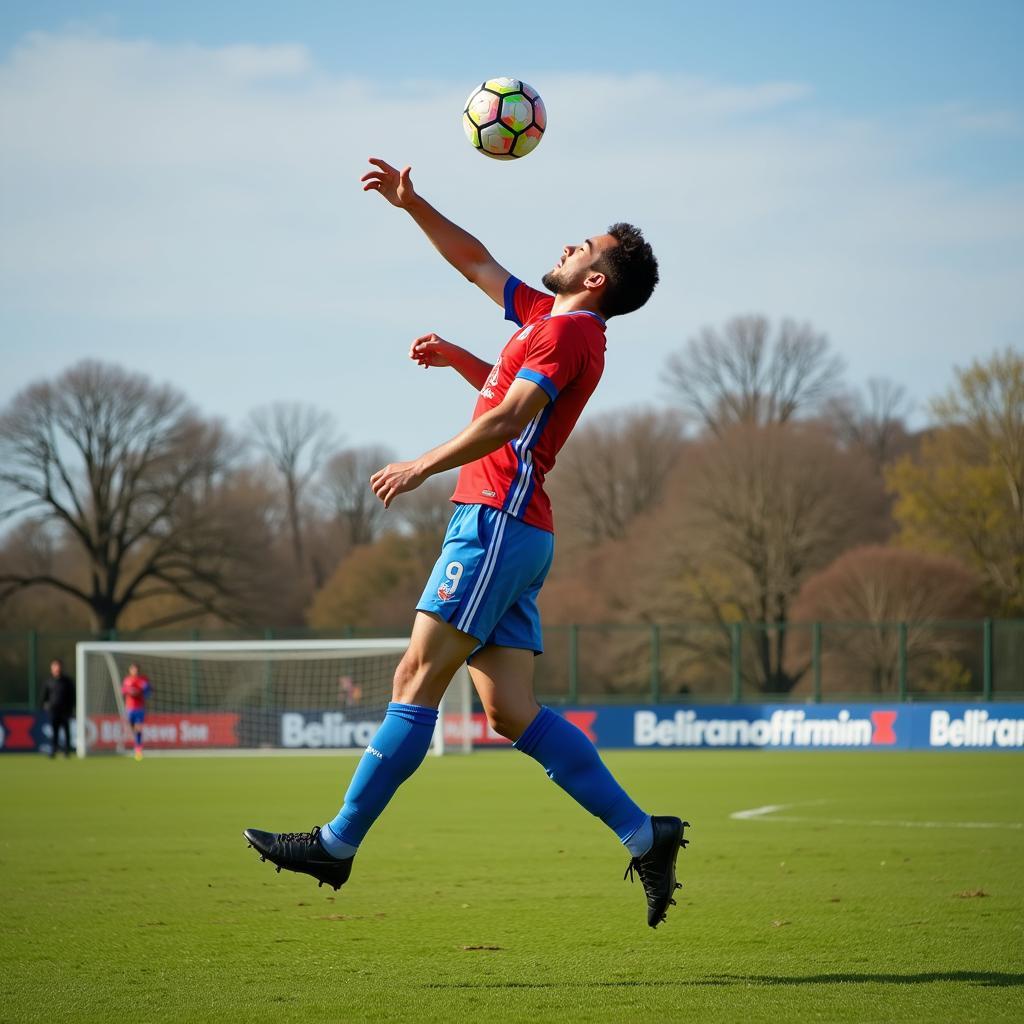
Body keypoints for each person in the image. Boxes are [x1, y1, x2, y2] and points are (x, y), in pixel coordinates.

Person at [245, 158, 689, 928]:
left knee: (415, 673)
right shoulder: (551, 325)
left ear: (595, 281)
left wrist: (421, 463)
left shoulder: (567, 337)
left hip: (495, 522)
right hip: (518, 530)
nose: (567, 247)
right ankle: (646, 835)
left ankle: (338, 844)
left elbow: (512, 421)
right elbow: (477, 263)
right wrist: (414, 206)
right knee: (511, 711)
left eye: (582, 246)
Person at [42, 658, 75, 758]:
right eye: (54, 667)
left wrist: (72, 707)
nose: (56, 669)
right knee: (54, 731)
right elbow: (44, 696)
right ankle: (53, 750)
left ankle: (67, 751)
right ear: (51, 668)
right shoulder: (49, 682)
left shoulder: (67, 681)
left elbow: (72, 695)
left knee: (66, 730)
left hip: (65, 710)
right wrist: (44, 705)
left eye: (58, 666)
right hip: (53, 710)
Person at [121, 663, 151, 761]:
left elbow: (147, 691)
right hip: (129, 708)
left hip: (139, 708)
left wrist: (140, 693)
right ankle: (137, 744)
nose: (134, 671)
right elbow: (123, 690)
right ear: (130, 670)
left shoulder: (142, 680)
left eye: (136, 669)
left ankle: (138, 749)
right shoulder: (127, 680)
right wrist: (130, 691)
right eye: (132, 669)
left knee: (138, 728)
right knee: (132, 728)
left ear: (138, 670)